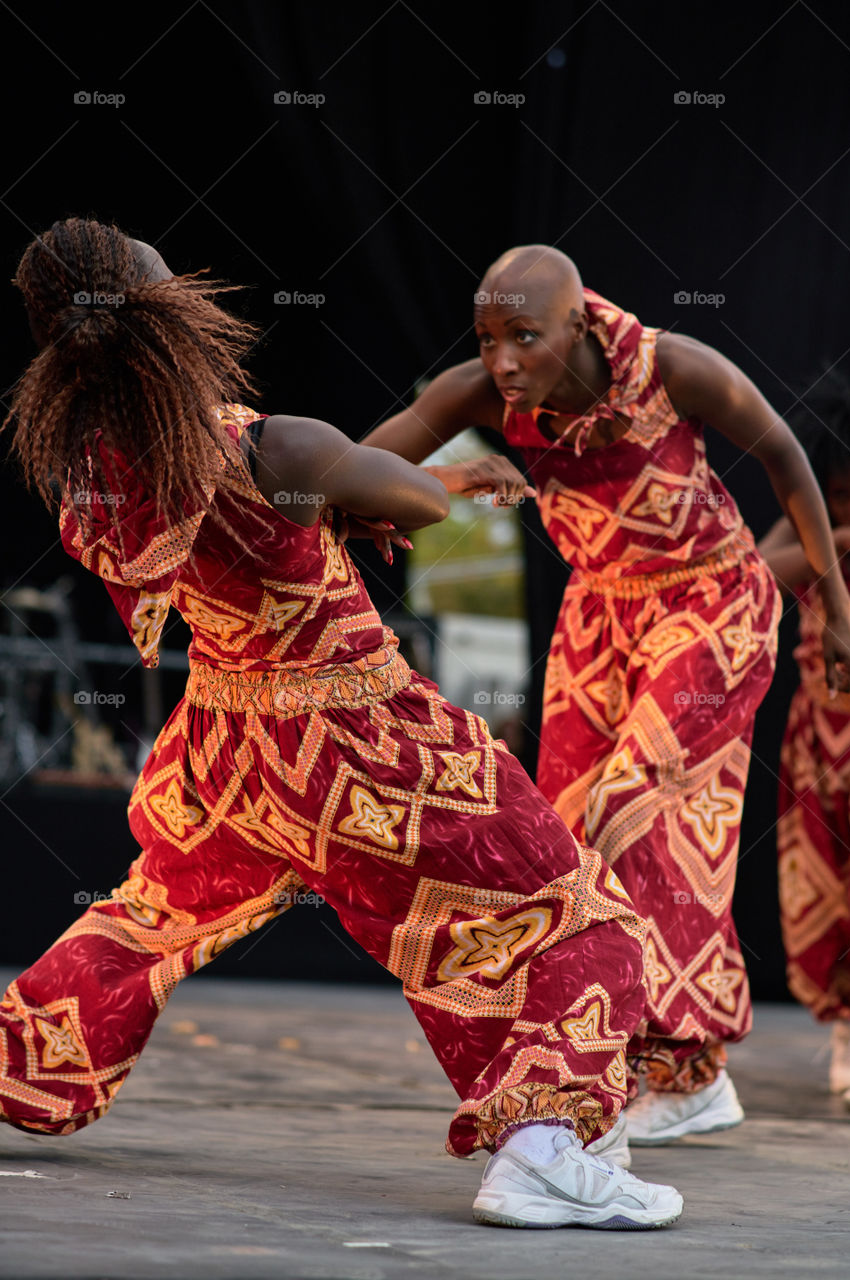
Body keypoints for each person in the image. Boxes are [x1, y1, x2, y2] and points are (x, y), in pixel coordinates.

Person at [0, 219, 684, 1232]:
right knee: (575, 915)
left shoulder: (97, 471)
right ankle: (543, 1148)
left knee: (148, 913)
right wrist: (406, 487)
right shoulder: (275, 445)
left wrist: (339, 498)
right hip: (364, 742)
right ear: (169, 317)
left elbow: (277, 525)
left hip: (228, 754)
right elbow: (404, 500)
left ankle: (17, 1060)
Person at [362, 244, 850, 1146]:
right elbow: (351, 469)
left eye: (524, 336)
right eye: (487, 339)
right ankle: (604, 1045)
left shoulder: (673, 368)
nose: (504, 360)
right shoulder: (481, 395)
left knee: (637, 805)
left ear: (580, 322)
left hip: (712, 599)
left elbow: (786, 453)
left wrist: (839, 602)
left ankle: (691, 1068)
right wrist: (454, 477)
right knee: (565, 834)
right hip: (599, 618)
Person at [758, 371, 850, 1108]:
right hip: (821, 734)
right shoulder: (814, 510)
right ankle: (846, 1028)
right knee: (824, 891)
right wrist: (837, 542)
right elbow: (753, 568)